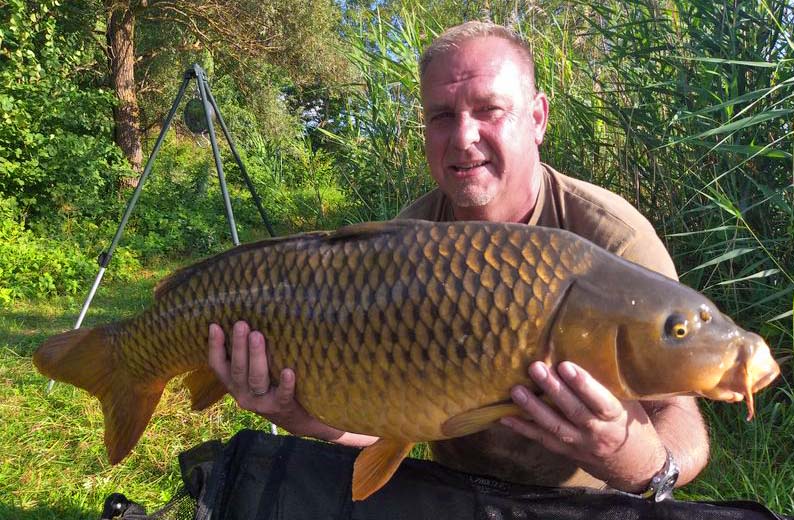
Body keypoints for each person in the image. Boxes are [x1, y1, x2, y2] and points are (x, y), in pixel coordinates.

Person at [207, 21, 710, 496]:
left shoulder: (611, 240)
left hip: (581, 499)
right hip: (452, 492)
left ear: (537, 118)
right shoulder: (405, 246)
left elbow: (681, 417)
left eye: (489, 110)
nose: (463, 137)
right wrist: (302, 418)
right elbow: (391, 418)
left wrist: (639, 463)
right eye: (442, 116)